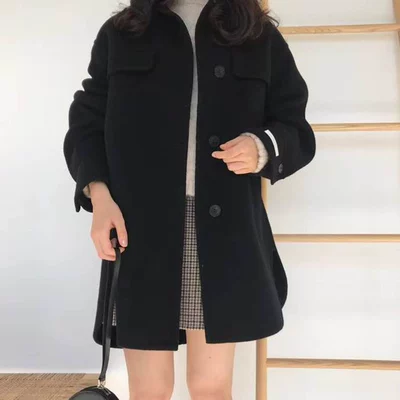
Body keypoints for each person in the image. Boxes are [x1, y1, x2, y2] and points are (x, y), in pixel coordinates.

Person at [63, 0, 316, 397]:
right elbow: (86, 124)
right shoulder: (123, 32)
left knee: (210, 386)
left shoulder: (256, 34)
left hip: (223, 233)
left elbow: (295, 127)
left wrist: (262, 147)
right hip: (138, 232)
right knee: (149, 389)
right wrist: (99, 195)